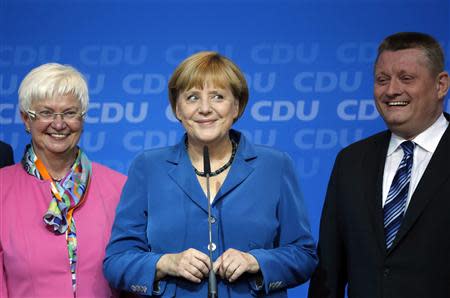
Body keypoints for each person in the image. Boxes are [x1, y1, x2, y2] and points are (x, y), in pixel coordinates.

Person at [103, 51, 317, 297]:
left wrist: (255, 262)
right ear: (177, 109)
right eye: (192, 97)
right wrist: (164, 264)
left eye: (218, 97)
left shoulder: (275, 165)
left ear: (236, 105)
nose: (205, 109)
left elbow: (304, 254)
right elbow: (117, 261)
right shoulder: (148, 167)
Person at [308, 32, 450, 298]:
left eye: (406, 78)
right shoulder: (350, 161)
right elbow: (329, 271)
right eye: (382, 80)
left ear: (441, 85)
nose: (391, 90)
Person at [0, 63, 126, 297]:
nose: (59, 124)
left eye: (70, 113)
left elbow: (132, 280)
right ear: (26, 119)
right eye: (46, 113)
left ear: (83, 118)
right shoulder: (1, 189)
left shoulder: (121, 188)